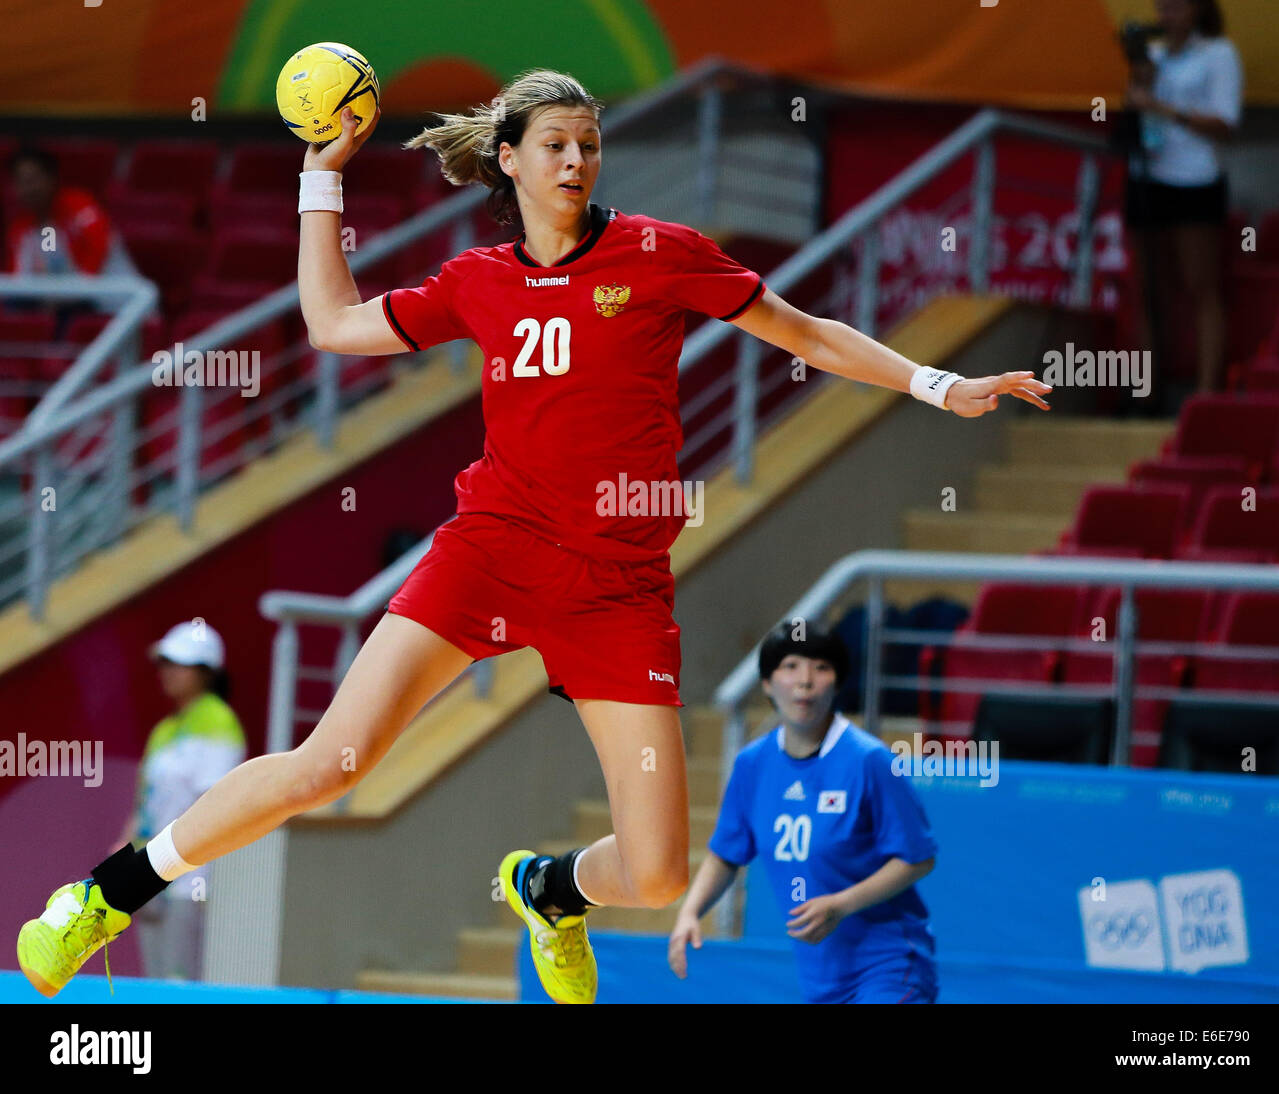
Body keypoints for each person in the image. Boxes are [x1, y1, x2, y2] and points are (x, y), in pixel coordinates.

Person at [17, 68, 1049, 1006]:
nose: (575, 161)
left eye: (589, 144)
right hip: (491, 550)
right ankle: (104, 895)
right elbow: (332, 325)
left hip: (615, 586)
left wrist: (937, 381)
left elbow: (805, 331)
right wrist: (319, 179)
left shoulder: (658, 253)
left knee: (651, 873)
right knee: (330, 760)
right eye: (554, 143)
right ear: (507, 158)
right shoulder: (476, 279)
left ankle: (547, 886)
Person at [668, 621, 939, 1003]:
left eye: (821, 667)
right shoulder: (752, 764)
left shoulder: (870, 760)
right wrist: (690, 912)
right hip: (820, 976)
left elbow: (918, 858)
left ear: (838, 682)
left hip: (890, 963)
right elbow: (727, 854)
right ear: (766, 683)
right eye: (791, 665)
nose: (805, 681)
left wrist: (841, 905)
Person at [111, 622, 245, 981]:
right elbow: (144, 804)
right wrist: (124, 850)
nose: (167, 672)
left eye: (178, 663)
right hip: (147, 872)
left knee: (180, 979)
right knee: (153, 980)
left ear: (205, 671)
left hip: (189, 877)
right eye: (164, 663)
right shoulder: (164, 730)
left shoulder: (219, 721)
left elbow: (214, 805)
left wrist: (171, 861)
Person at [1123, 0, 1243, 398]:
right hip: (1149, 176)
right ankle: (1147, 390)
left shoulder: (1219, 54)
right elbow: (1131, 110)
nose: (1166, 14)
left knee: (1200, 286)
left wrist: (1163, 109)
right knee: (1150, 288)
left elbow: (1226, 123)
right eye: (1162, 6)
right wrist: (1139, 77)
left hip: (1195, 179)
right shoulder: (1153, 56)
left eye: (1176, 6)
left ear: (1196, 9)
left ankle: (1207, 390)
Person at [3, 146, 136, 278]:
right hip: (64, 296)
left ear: (51, 178)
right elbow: (17, 278)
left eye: (32, 180)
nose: (28, 189)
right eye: (21, 182)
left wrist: (72, 289)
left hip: (114, 292)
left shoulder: (79, 205)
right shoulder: (20, 229)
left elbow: (99, 244)